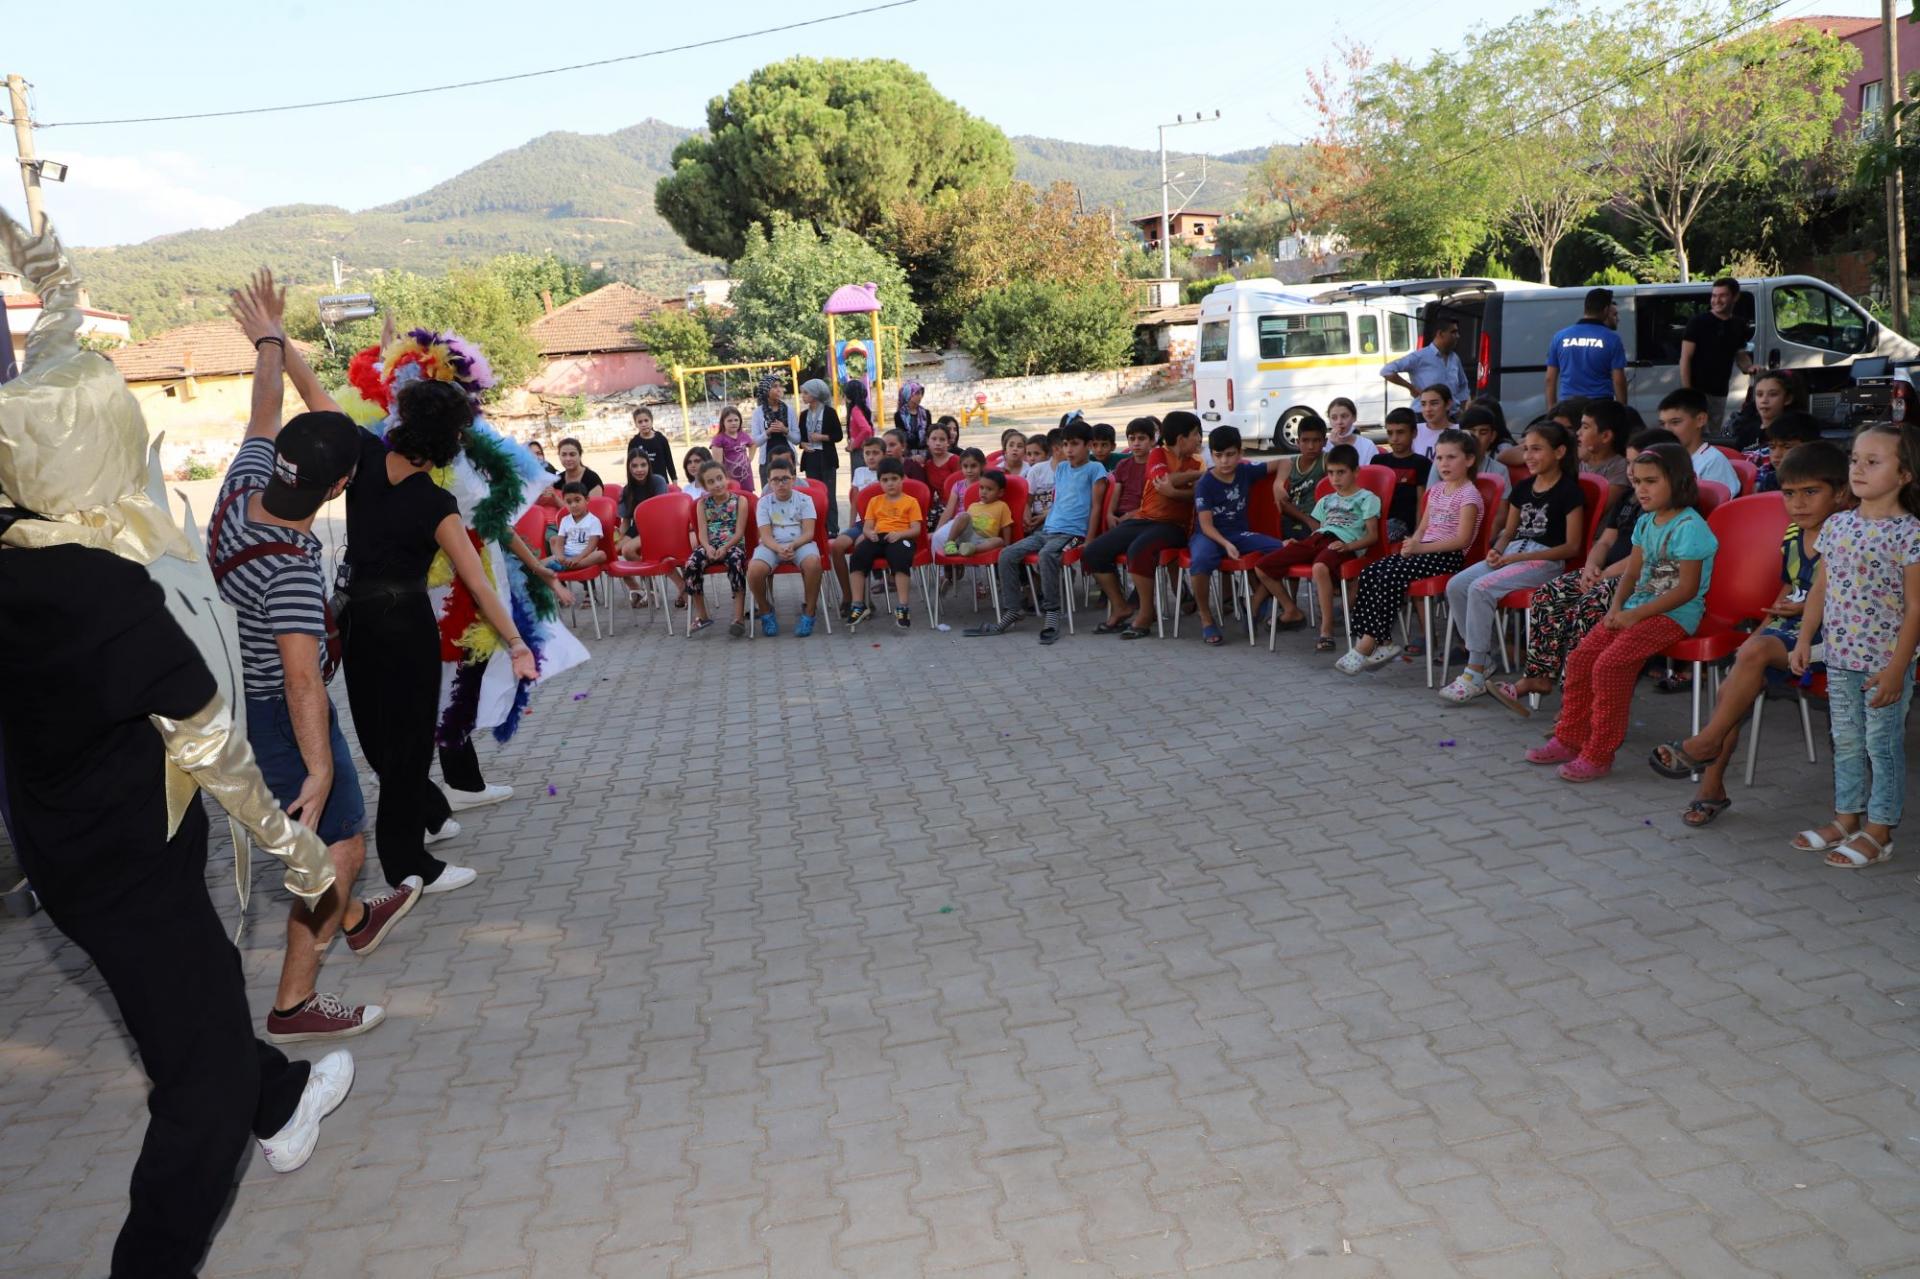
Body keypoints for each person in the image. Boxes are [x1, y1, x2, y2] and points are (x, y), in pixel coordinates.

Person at [0, 217, 354, 1272]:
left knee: (182, 1018)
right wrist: (303, 864)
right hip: (133, 869)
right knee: (195, 1089)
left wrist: (43, 260)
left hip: (66, 858)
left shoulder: (19, 552)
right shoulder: (114, 595)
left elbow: (55, 352)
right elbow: (215, 753)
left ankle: (283, 1096)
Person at [221, 274, 416, 1045]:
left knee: (335, 842)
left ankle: (361, 919)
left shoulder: (242, 489)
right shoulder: (295, 573)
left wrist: (270, 340)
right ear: (339, 488)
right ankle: (295, 1002)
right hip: (279, 710)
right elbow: (303, 677)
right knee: (332, 847)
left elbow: (265, 411)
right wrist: (321, 769)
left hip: (252, 693)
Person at [341, 374, 539, 894]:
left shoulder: (360, 455)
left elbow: (318, 398)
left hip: (356, 620)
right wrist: (517, 643)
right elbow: (478, 584)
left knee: (381, 745)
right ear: (450, 441)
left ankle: (431, 812)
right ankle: (410, 868)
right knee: (406, 751)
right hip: (405, 627)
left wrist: (275, 344)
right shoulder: (435, 504)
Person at [1647, 441, 1849, 824]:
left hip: (1834, 638)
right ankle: (1711, 787)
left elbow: (1855, 598)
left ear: (1840, 494)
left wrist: (1798, 612)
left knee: (1750, 657)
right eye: (1790, 493)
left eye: (1811, 492)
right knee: (1735, 683)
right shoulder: (1792, 535)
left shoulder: (1846, 536)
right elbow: (1789, 587)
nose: (1799, 503)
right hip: (1789, 633)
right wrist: (1764, 628)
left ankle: (1705, 746)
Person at [1526, 441, 1718, 781]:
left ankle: (1599, 754)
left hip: (1673, 614)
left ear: (1678, 481)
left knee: (1609, 666)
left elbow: (1686, 590)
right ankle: (1569, 738)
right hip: (1635, 608)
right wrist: (1616, 608)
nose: (1641, 489)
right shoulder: (1647, 522)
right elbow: (1631, 572)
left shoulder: (1690, 527)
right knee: (1582, 658)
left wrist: (1634, 616)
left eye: (1651, 481)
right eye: (1638, 482)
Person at [1786, 423, 1920, 869]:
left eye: (1873, 461)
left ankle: (1880, 831)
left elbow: (1917, 608)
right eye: (1855, 459)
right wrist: (1806, 638)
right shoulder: (1838, 525)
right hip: (1841, 660)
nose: (1859, 469)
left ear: (1904, 475)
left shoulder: (1910, 534)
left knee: (1882, 747)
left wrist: (1898, 669)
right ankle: (1846, 818)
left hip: (1884, 663)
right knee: (1845, 742)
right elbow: (1820, 589)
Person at [1490, 428, 1677, 713]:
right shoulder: (1629, 499)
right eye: (1629, 465)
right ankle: (1537, 677)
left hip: (1640, 581)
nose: (1631, 473)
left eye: (1640, 467)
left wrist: (1603, 574)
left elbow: (1645, 559)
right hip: (1603, 573)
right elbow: (1606, 539)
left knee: (1587, 607)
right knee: (1548, 595)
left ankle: (1574, 702)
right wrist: (1592, 566)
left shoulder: (1671, 508)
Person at [1438, 420, 1587, 704]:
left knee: (1481, 589)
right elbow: (1508, 531)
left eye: (1537, 449)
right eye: (1526, 449)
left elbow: (1571, 546)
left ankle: (1475, 670)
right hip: (1513, 553)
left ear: (1559, 452)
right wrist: (1498, 550)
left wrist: (1520, 556)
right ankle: (1482, 654)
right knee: (1457, 584)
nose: (1528, 456)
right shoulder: (1523, 487)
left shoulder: (1569, 492)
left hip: (1543, 561)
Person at [1338, 430, 1485, 673]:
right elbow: (1424, 526)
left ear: (1469, 460)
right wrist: (1411, 545)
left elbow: (1461, 540)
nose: (1443, 464)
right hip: (1424, 552)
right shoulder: (1437, 490)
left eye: (1451, 457)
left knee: (1388, 577)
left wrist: (1422, 547)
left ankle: (1369, 644)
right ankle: (1378, 640)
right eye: (1439, 458)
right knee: (1370, 572)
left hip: (1446, 557)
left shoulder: (1469, 495)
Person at [967, 418, 1105, 644]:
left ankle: (1052, 612)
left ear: (1089, 445)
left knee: (1047, 555)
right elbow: (1058, 502)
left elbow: (1096, 506)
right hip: (1048, 528)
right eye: (1065, 444)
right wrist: (1043, 520)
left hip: (1072, 533)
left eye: (1075, 444)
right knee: (1007, 554)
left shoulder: (1095, 469)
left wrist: (1089, 540)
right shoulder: (1061, 468)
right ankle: (1013, 610)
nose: (1068, 450)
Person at [1255, 443, 1380, 652]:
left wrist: (1349, 546)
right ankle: (1291, 609)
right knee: (1263, 566)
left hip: (1343, 543)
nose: (1335, 479)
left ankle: (1326, 630)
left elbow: (1373, 536)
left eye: (1341, 472)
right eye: (1331, 473)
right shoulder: (1326, 500)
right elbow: (1320, 529)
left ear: (1356, 472)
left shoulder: (1367, 498)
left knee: (1319, 568)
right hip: (1317, 539)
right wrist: (1299, 543)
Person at [1101, 411, 1206, 639]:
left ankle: (1146, 615)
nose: (1200, 440)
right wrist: (1184, 482)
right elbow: (1163, 482)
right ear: (1181, 438)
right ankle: (1122, 607)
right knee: (1094, 552)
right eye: (1196, 434)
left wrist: (1175, 491)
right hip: (1144, 518)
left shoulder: (1197, 460)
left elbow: (1198, 491)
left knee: (1139, 549)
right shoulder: (1157, 453)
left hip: (1175, 526)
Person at [1184, 425, 1288, 647]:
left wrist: (1278, 484)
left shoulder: (1245, 471)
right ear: (1211, 455)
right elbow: (1206, 524)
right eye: (1218, 455)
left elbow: (1285, 461)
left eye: (1230, 455)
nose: (1224, 461)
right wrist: (1225, 543)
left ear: (1240, 453)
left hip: (1239, 533)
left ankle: (1256, 601)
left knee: (1281, 550)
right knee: (1201, 561)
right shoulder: (1205, 484)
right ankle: (1206, 617)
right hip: (1210, 536)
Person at [748, 458, 824, 637]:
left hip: (800, 543)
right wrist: (778, 548)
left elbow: (808, 533)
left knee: (814, 564)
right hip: (771, 545)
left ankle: (809, 612)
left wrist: (792, 546)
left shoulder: (805, 500)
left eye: (785, 478)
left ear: (794, 479)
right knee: (754, 570)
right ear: (769, 482)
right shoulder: (764, 503)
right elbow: (765, 536)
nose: (780, 483)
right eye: (775, 480)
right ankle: (766, 611)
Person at [847, 457, 923, 630]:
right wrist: (870, 534)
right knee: (858, 555)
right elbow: (867, 527)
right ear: (879, 482)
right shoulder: (875, 501)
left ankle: (903, 607)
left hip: (902, 537)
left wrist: (900, 534)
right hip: (879, 537)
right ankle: (858, 605)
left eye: (894, 479)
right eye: (885, 480)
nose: (890, 484)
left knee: (899, 558)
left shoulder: (911, 502)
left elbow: (916, 529)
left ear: (902, 479)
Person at [684, 460, 751, 637]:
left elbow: (739, 532)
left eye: (719, 478)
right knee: (691, 564)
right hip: (709, 545)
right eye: (711, 482)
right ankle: (703, 615)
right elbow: (702, 532)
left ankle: (738, 618)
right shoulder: (702, 504)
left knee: (735, 562)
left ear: (726, 477)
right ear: (705, 486)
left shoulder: (740, 501)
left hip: (733, 544)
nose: (717, 484)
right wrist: (707, 547)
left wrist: (725, 547)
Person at [1679, 277, 1753, 427]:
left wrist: (1750, 368)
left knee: (1714, 435)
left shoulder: (1739, 325)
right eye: (1714, 295)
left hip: (1720, 392)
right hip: (1697, 392)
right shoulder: (1698, 322)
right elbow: (1685, 358)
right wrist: (1688, 392)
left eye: (1722, 295)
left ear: (1735, 297)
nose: (1717, 300)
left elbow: (1739, 354)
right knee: (1695, 434)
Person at [1544, 287, 1628, 405]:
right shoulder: (1612, 339)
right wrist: (1622, 410)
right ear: (1605, 310)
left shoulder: (1560, 337)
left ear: (1585, 308)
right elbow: (1619, 381)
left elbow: (1549, 379)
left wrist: (1551, 410)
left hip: (1568, 405)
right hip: (1599, 407)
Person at [1656, 388, 1739, 493]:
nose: (1667, 430)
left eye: (1675, 422)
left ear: (1700, 420)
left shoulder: (1712, 463)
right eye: (1662, 424)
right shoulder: (1664, 459)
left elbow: (1724, 506)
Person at [1380, 317, 1469, 408]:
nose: (1458, 336)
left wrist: (1461, 408)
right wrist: (1411, 388)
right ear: (1440, 334)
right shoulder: (1420, 357)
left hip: (1451, 415)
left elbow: (1463, 385)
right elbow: (1387, 371)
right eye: (1453, 332)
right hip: (1424, 415)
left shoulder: (1454, 358)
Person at [795, 378, 843, 537]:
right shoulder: (803, 415)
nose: (803, 396)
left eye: (806, 393)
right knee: (814, 494)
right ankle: (819, 528)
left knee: (829, 493)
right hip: (811, 458)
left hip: (826, 457)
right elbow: (801, 438)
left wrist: (822, 437)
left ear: (815, 394)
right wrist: (803, 444)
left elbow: (838, 435)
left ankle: (833, 528)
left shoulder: (829, 412)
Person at [1375, 408, 1432, 542]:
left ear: (1414, 433)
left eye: (1400, 432)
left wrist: (1417, 534)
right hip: (1377, 520)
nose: (1394, 438)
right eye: (1390, 433)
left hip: (1403, 524)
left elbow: (1421, 501)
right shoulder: (1378, 460)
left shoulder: (1421, 463)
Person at [1274, 414, 1329, 539]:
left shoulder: (1327, 460)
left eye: (1316, 440)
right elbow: (1283, 503)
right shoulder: (1290, 464)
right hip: (1294, 519)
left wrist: (1312, 521)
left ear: (1324, 442)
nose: (1310, 446)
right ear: (1298, 442)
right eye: (1305, 440)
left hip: (1319, 519)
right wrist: (1277, 483)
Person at [942, 468, 1014, 557]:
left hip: (985, 540)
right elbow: (964, 523)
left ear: (1000, 492)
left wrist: (1007, 546)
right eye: (981, 487)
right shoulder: (973, 506)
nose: (984, 492)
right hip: (968, 535)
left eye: (989, 489)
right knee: (964, 516)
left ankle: (971, 549)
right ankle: (950, 543)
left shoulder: (1002, 506)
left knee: (999, 541)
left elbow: (1006, 526)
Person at [1753, 409, 1823, 493]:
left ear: (1811, 448)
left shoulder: (1825, 479)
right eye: (1772, 447)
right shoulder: (1769, 481)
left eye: (1787, 447)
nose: (1776, 455)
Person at [750, 374, 795, 484]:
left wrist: (785, 430)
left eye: (780, 386)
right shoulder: (758, 413)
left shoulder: (788, 410)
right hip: (767, 461)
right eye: (774, 386)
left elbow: (797, 439)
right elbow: (755, 442)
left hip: (787, 459)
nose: (779, 389)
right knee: (768, 494)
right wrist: (768, 432)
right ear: (766, 390)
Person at [923, 421, 962, 532]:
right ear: (927, 441)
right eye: (934, 439)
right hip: (939, 507)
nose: (938, 443)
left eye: (942, 440)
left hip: (957, 506)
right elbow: (930, 492)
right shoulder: (928, 464)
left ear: (948, 442)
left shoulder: (955, 461)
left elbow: (962, 488)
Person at [626, 406, 676, 484]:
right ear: (636, 424)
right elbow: (630, 466)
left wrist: (674, 480)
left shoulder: (661, 439)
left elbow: (669, 461)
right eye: (640, 422)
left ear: (651, 421)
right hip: (642, 484)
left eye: (646, 420)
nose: (644, 424)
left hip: (662, 482)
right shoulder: (634, 443)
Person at [711, 405, 755, 493]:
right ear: (723, 422)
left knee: (747, 497)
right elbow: (718, 464)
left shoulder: (743, 435)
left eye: (736, 420)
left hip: (746, 476)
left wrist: (750, 459)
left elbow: (753, 444)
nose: (733, 423)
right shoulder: (719, 439)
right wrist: (723, 478)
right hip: (730, 478)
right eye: (729, 421)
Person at [1325, 396, 1378, 464]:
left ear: (1354, 417)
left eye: (1344, 416)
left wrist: (1339, 447)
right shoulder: (1325, 445)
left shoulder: (1367, 445)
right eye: (1334, 418)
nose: (1339, 422)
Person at [1413, 384, 1454, 458]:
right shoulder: (1414, 431)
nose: (1428, 409)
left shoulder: (1460, 432)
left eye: (1434, 403)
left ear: (1448, 404)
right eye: (1423, 404)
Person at [894, 381, 932, 456]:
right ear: (908, 395)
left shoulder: (926, 413)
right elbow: (902, 436)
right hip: (907, 454)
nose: (920, 396)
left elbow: (929, 433)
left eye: (921, 393)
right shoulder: (899, 415)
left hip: (925, 453)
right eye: (917, 393)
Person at [843, 378, 876, 458]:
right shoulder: (862, 408)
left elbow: (867, 429)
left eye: (845, 394)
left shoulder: (855, 410)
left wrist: (853, 445)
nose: (844, 397)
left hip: (860, 451)